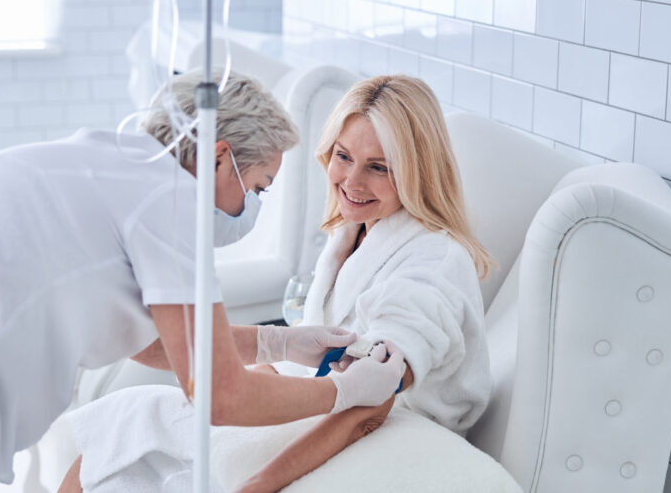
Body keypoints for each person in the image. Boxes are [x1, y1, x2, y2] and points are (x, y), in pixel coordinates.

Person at [0, 71, 407, 493]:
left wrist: (279, 344)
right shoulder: (171, 203)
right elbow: (222, 397)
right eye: (259, 187)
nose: (252, 207)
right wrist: (350, 393)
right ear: (219, 158)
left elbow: (143, 335)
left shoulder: (109, 163)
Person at [57, 74, 494, 492]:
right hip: (328, 410)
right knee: (120, 437)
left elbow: (370, 408)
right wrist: (274, 352)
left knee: (136, 436)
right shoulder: (353, 235)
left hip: (390, 436)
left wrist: (256, 486)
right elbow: (145, 342)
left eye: (378, 167)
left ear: (417, 171)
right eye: (343, 157)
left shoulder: (433, 261)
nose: (352, 182)